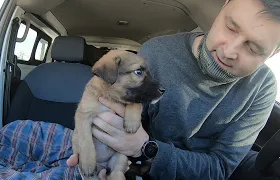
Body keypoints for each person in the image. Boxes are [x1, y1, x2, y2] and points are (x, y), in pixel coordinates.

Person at [67, 0, 280, 179]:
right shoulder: (156, 52)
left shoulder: (262, 87)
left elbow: (221, 169)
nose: (229, 51)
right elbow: (120, 121)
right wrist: (95, 151)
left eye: (253, 48)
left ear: (274, 52)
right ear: (223, 5)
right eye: (231, 27)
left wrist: (145, 147)